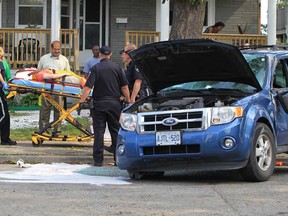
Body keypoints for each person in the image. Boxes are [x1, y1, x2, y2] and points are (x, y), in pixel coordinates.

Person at [79, 45, 130, 166]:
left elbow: (87, 87)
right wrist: (128, 100)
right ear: (110, 54)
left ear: (100, 54)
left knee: (99, 132)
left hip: (100, 104)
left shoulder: (96, 68)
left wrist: (81, 101)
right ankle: (117, 158)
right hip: (114, 104)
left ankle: (98, 160)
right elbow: (124, 87)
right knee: (115, 132)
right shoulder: (117, 68)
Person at [37, 40, 70, 136]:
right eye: (55, 49)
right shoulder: (44, 59)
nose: (57, 51)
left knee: (59, 110)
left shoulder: (64, 60)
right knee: (44, 110)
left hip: (59, 89)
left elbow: (68, 74)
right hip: (46, 88)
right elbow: (39, 72)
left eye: (58, 49)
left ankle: (57, 131)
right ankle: (43, 130)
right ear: (51, 48)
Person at [0, 47, 17, 145]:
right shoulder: (0, 62)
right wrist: (3, 84)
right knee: (4, 115)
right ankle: (5, 138)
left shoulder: (3, 63)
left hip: (3, 91)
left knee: (6, 115)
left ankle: (5, 139)